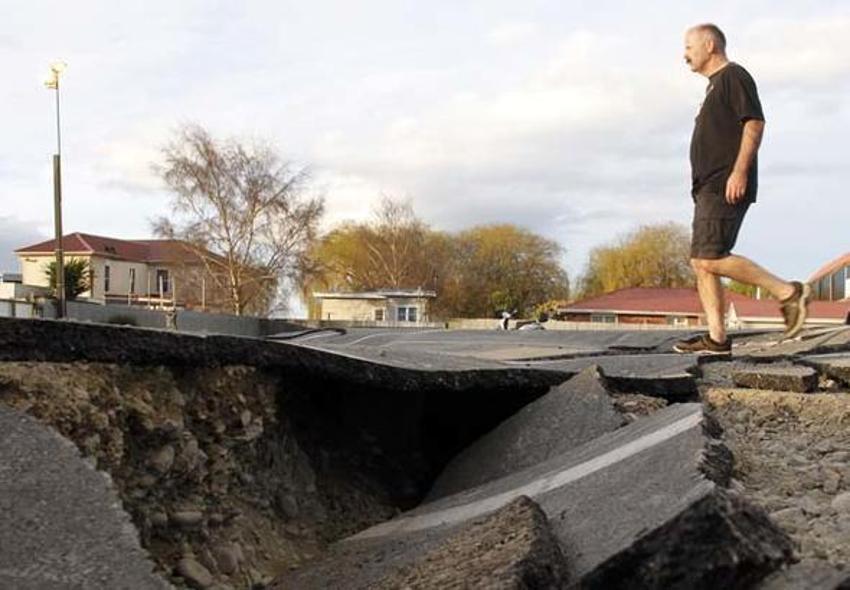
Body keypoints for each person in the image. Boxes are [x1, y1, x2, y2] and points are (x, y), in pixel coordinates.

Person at [674, 23, 810, 355]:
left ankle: (788, 292)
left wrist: (739, 171)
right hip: (708, 186)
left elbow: (754, 122)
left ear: (709, 45)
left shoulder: (734, 76)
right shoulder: (712, 88)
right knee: (701, 261)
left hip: (725, 182)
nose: (684, 54)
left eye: (689, 47)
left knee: (709, 257)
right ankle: (717, 339)